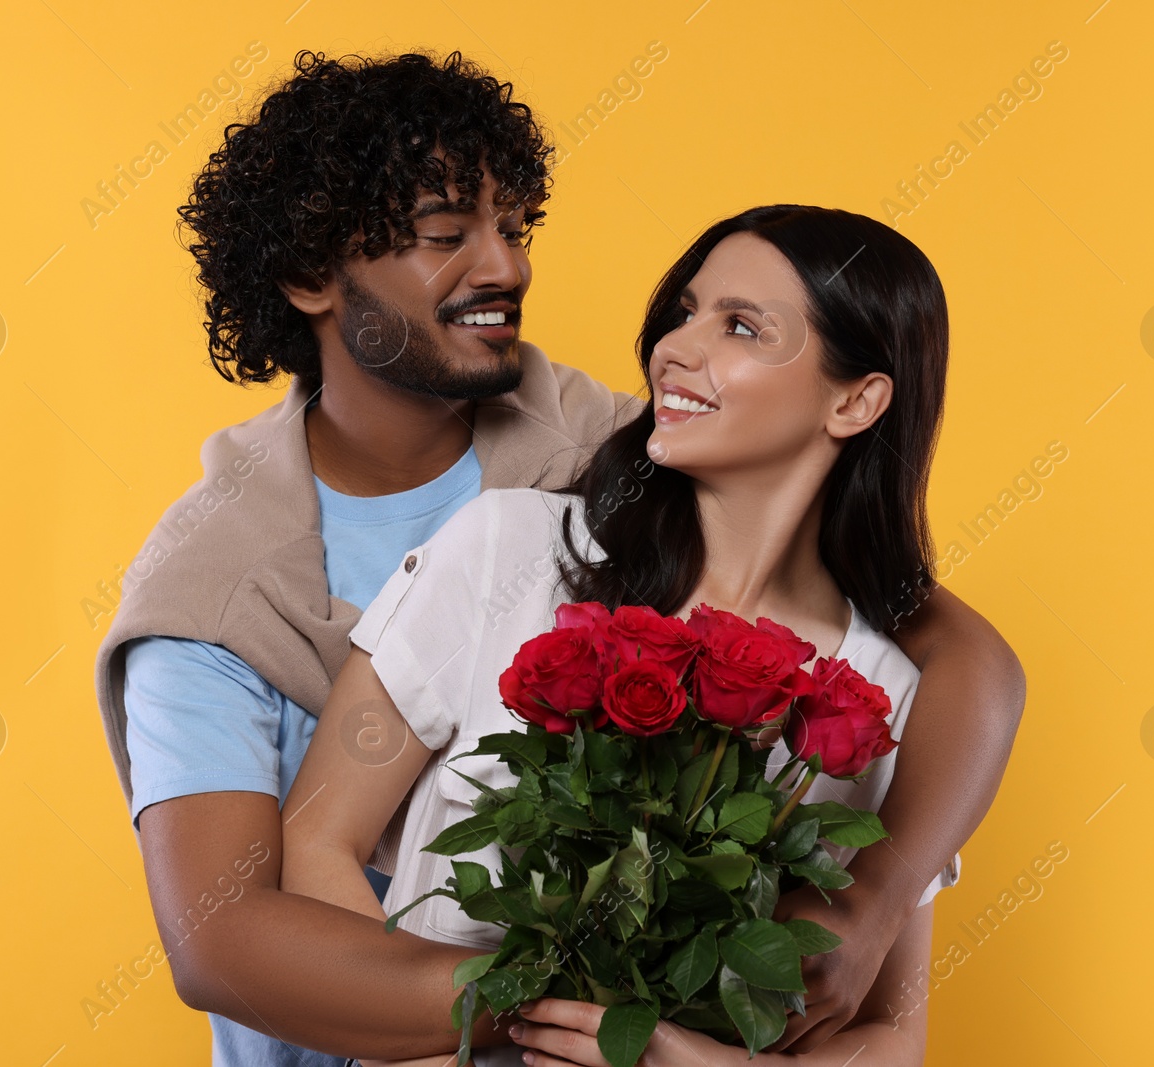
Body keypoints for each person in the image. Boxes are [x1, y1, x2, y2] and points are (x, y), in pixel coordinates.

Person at [93, 50, 1025, 1065]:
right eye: (448, 236)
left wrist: (878, 899)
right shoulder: (217, 586)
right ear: (311, 277)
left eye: (513, 228)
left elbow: (938, 647)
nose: (508, 267)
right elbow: (219, 937)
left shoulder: (635, 458)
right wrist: (591, 1007)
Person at [279, 204, 983, 1067]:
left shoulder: (890, 700)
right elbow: (316, 840)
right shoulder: (509, 549)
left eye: (740, 327)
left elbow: (892, 1037)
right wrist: (425, 1049)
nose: (677, 348)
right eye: (685, 311)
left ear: (856, 399)